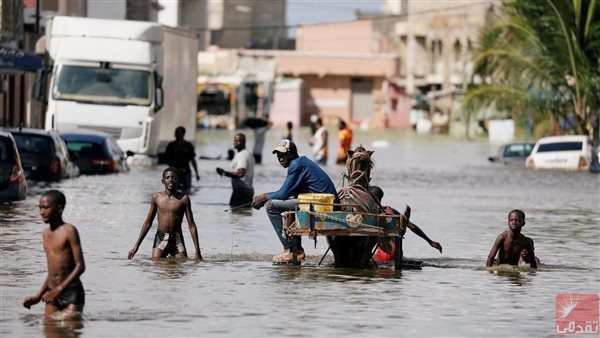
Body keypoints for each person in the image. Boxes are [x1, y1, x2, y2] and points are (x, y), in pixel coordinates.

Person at [251, 139, 339, 263]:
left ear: (292, 153)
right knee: (286, 204)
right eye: (278, 156)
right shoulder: (301, 162)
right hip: (322, 202)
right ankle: (296, 250)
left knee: (271, 206)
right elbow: (287, 193)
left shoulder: (296, 165)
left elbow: (283, 194)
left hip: (322, 204)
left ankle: (291, 250)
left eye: (283, 155)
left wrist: (264, 196)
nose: (280, 158)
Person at [23, 190, 86, 320]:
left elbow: (80, 266)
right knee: (50, 329)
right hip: (52, 293)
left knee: (69, 327)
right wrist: (38, 296)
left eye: (46, 208)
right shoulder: (45, 234)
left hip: (70, 292)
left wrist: (60, 288)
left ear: (59, 209)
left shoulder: (69, 231)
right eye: (40, 208)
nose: (42, 212)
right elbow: (52, 272)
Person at [128, 167, 202, 261]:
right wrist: (136, 246)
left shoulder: (184, 199)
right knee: (156, 264)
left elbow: (191, 225)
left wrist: (198, 251)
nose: (171, 180)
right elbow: (148, 223)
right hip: (160, 238)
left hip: (177, 239)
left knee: (181, 266)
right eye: (168, 177)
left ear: (178, 180)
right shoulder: (156, 197)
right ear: (163, 181)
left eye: (174, 177)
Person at [370, 186, 443, 262]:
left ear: (371, 198)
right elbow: (412, 227)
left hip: (382, 253)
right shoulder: (391, 211)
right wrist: (430, 241)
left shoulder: (369, 214)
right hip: (396, 253)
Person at [216, 133, 255, 208]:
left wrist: (224, 173)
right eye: (234, 140)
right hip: (248, 190)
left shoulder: (242, 155)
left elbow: (240, 174)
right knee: (242, 216)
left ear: (244, 142)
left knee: (236, 215)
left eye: (238, 141)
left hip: (241, 191)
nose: (235, 142)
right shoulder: (247, 154)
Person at [164, 126, 200, 192]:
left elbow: (193, 160)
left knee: (187, 191)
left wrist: (197, 173)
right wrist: (174, 168)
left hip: (186, 172)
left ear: (183, 134)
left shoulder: (188, 145)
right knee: (174, 191)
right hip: (174, 173)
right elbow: (166, 160)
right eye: (176, 132)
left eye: (178, 133)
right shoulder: (171, 145)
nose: (176, 134)